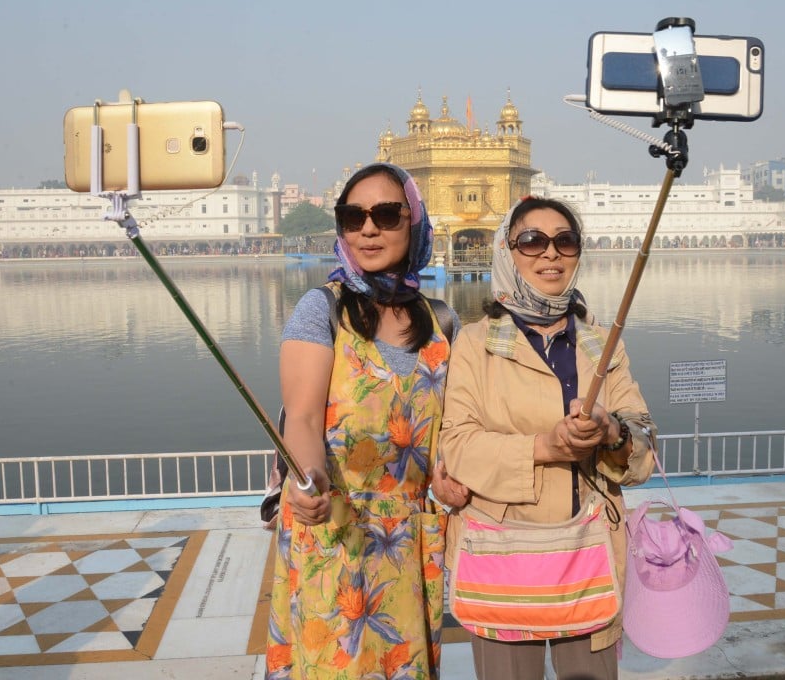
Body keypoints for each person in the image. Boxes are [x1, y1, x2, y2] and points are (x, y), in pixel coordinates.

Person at [439, 195, 657, 680]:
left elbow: (642, 447)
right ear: (507, 251)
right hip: (505, 551)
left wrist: (611, 431)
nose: (550, 254)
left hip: (590, 546)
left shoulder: (601, 343)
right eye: (532, 241)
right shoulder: (477, 342)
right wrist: (544, 448)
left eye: (565, 241)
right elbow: (457, 446)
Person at [266, 162, 468, 680]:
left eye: (385, 214)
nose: (368, 229)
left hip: (409, 539)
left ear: (414, 222)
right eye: (353, 217)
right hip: (331, 525)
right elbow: (304, 419)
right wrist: (308, 478)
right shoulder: (322, 311)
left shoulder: (443, 320)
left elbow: (457, 426)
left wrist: (451, 469)